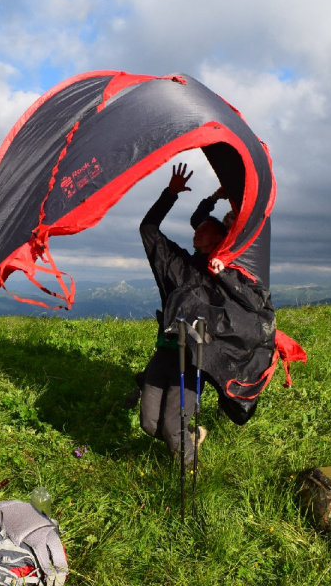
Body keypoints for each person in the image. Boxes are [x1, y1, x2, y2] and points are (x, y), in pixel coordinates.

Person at [136, 163, 233, 465]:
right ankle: (189, 437)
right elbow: (148, 229)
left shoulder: (225, 275)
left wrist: (220, 203)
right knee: (149, 425)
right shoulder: (179, 265)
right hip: (165, 350)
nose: (197, 230)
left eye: (205, 229)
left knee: (171, 429)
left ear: (220, 240)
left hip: (193, 357)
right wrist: (170, 194)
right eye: (199, 227)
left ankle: (194, 472)